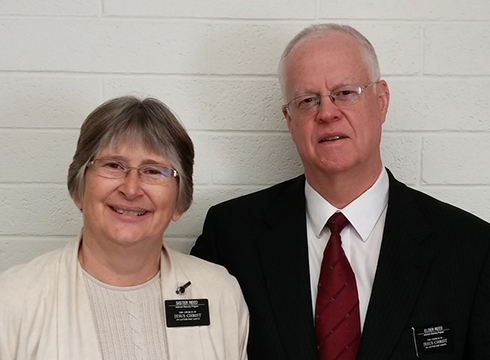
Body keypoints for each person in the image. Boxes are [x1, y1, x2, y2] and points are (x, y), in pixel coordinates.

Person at [191, 23, 490, 360]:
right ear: (289, 121)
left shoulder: (471, 249)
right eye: (307, 100)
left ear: (381, 101)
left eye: (346, 92)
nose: (327, 113)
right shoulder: (230, 235)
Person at [0, 96, 249, 360]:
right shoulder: (13, 299)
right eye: (113, 165)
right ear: (78, 190)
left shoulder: (219, 293)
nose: (131, 189)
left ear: (179, 202)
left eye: (154, 171)